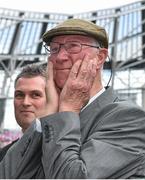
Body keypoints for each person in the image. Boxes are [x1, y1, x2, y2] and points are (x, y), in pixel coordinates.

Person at [0, 18, 145, 179]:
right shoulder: (49, 116)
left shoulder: (129, 118)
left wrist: (67, 110)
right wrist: (44, 120)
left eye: (73, 46)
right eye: (54, 49)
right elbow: (6, 174)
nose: (60, 57)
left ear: (100, 57)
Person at [0, 63, 47, 161]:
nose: (25, 102)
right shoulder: (4, 156)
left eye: (35, 95)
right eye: (19, 95)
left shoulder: (62, 155)